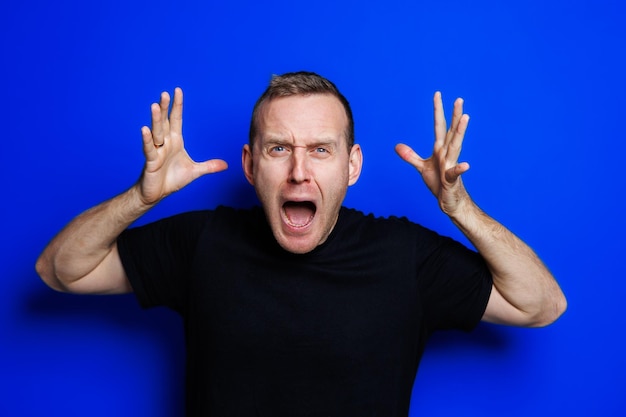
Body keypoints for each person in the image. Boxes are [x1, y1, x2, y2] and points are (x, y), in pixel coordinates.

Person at [36, 71, 566, 416]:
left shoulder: (404, 257)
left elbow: (541, 304)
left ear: (352, 166)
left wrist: (461, 210)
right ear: (249, 164)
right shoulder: (203, 243)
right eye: (277, 148)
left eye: (320, 149)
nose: (297, 171)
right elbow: (60, 270)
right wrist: (140, 197)